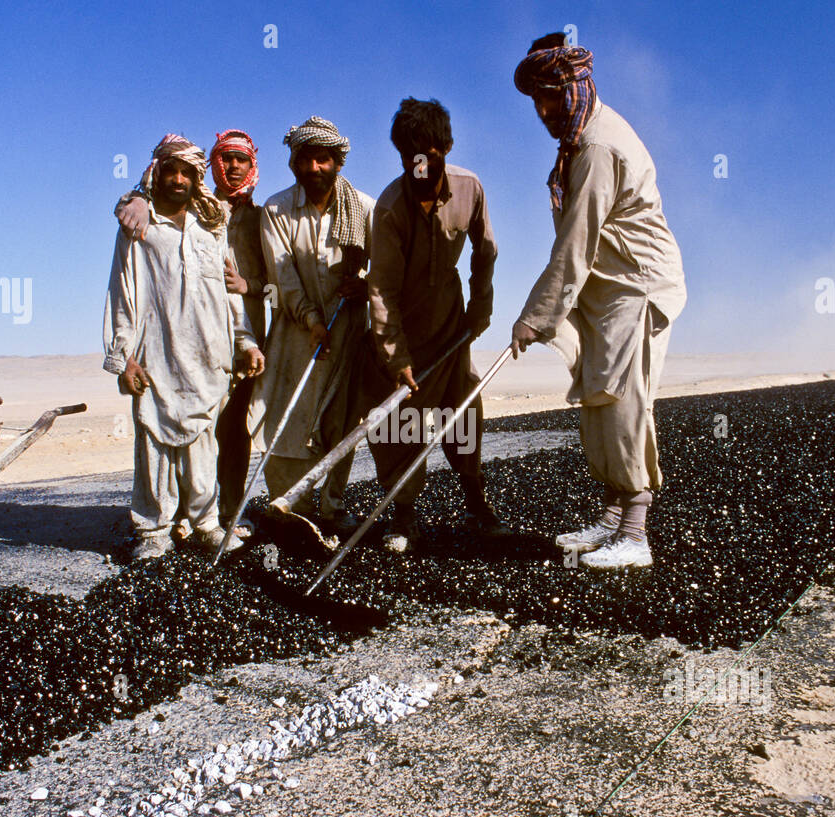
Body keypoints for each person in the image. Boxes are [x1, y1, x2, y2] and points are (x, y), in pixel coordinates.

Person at [511, 33, 687, 569]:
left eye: (550, 97)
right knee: (597, 396)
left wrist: (534, 318)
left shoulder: (597, 147)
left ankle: (635, 533)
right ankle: (611, 519)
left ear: (576, 89)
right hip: (605, 291)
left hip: (637, 289)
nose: (542, 110)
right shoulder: (578, 143)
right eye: (536, 100)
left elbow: (576, 243)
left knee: (624, 403)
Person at [102, 134, 264, 559]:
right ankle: (153, 530)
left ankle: (205, 522)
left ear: (197, 178)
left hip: (209, 353)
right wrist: (125, 356)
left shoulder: (212, 228)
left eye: (187, 172)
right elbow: (123, 293)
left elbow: (229, 293)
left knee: (203, 441)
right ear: (155, 173)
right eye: (169, 170)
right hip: (156, 351)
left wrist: (244, 341)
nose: (178, 179)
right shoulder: (139, 228)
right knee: (154, 439)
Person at [366, 97, 508, 550]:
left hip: (450, 328)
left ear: (447, 146)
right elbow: (381, 289)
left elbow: (485, 253)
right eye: (410, 157)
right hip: (402, 335)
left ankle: (477, 505)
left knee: (461, 413)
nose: (421, 166)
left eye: (429, 154)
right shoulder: (389, 209)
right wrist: (396, 358)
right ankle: (404, 516)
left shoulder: (471, 189)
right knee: (399, 427)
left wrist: (480, 309)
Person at [251, 116, 374, 538]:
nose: (314, 168)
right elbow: (281, 279)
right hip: (296, 333)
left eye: (323, 159)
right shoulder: (277, 209)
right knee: (289, 417)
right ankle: (290, 505)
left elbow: (388, 269)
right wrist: (311, 319)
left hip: (350, 332)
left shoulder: (365, 207)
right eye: (305, 160)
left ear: (337, 161)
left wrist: (366, 286)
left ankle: (333, 506)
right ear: (294, 163)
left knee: (342, 421)